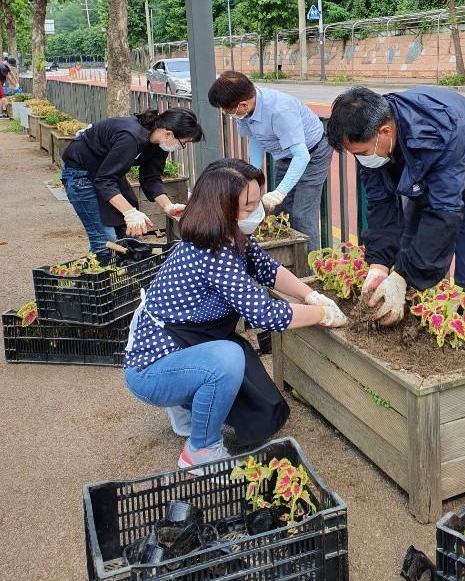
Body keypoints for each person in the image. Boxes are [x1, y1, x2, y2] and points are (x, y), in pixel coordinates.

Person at [123, 158, 347, 473]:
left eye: (257, 203)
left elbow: (266, 268)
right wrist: (321, 313)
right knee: (228, 359)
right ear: (220, 209)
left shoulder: (229, 235)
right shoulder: (210, 251)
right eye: (248, 207)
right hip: (151, 370)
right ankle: (200, 452)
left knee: (255, 393)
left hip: (181, 346)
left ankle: (186, 410)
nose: (257, 213)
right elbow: (265, 313)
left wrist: (309, 294)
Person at [325, 86, 465, 325]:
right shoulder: (374, 133)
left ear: (385, 131)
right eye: (355, 154)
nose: (361, 158)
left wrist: (401, 277)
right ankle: (410, 318)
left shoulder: (444, 131)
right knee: (408, 246)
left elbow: (444, 212)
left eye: (363, 152)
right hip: (428, 177)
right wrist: (378, 266)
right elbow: (380, 203)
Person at [208, 71, 333, 251]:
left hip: (312, 154)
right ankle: (287, 262)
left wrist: (280, 191)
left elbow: (302, 155)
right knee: (281, 211)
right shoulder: (245, 111)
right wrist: (254, 175)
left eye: (227, 110)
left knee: (302, 215)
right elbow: (255, 138)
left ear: (242, 104)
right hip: (284, 155)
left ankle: (309, 270)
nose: (226, 113)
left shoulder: (280, 110)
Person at [61, 107, 203, 253]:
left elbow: (151, 178)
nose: (181, 147)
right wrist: (129, 212)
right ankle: (102, 271)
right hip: (81, 171)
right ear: (169, 134)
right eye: (183, 143)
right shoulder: (130, 136)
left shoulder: (160, 145)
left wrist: (168, 206)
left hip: (107, 173)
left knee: (129, 236)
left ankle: (126, 271)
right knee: (105, 239)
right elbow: (104, 180)